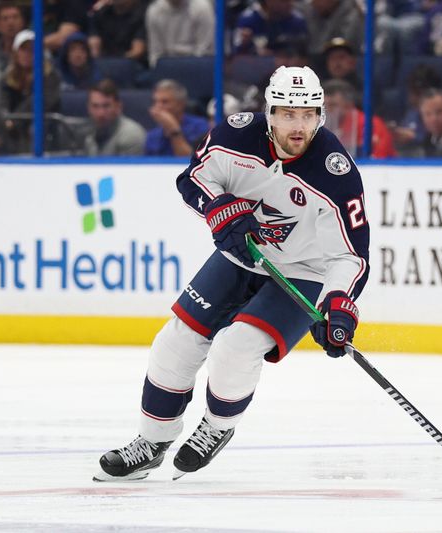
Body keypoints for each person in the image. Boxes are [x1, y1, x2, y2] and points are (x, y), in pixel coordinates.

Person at [93, 65, 369, 482]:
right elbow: (193, 179)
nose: (299, 126)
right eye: (288, 114)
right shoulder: (235, 135)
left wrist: (338, 304)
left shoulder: (336, 174)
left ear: (321, 116)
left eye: (308, 114)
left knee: (236, 348)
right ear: (269, 113)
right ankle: (151, 442)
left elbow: (350, 255)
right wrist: (218, 209)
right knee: (175, 342)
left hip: (303, 272)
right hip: (241, 256)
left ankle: (217, 427)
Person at [0, 29, 62, 154]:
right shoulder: (7, 77)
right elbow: (0, 105)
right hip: (12, 128)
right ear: (15, 53)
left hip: (45, 124)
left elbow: (43, 101)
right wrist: (6, 120)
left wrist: (15, 120)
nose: (27, 54)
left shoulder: (50, 76)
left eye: (32, 50)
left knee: (35, 130)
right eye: (23, 49)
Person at [323, 79, 397, 158]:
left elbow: (377, 160)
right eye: (323, 105)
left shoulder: (370, 124)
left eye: (332, 105)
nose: (326, 110)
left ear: (348, 105)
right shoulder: (322, 125)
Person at [144, 79, 209, 156]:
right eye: (155, 102)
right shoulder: (153, 135)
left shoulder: (199, 127)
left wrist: (173, 130)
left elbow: (192, 160)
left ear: (181, 104)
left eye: (165, 102)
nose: (158, 106)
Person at [84, 78, 147, 156]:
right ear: (88, 108)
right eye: (95, 106)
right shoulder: (88, 134)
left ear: (118, 107)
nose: (101, 113)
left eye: (106, 106)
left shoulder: (131, 135)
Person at [145, 0, 215, 67]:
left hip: (197, 63)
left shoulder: (202, 7)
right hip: (169, 65)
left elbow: (205, 51)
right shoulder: (154, 11)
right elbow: (155, 54)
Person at [233, 0, 308, 56]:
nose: (290, 4)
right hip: (256, 68)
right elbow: (235, 54)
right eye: (284, 1)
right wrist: (245, 44)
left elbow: (304, 54)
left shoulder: (297, 21)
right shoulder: (248, 19)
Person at [0, 2, 27, 80]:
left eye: (15, 17)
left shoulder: (35, 49)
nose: (10, 23)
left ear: (23, 22)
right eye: (5, 19)